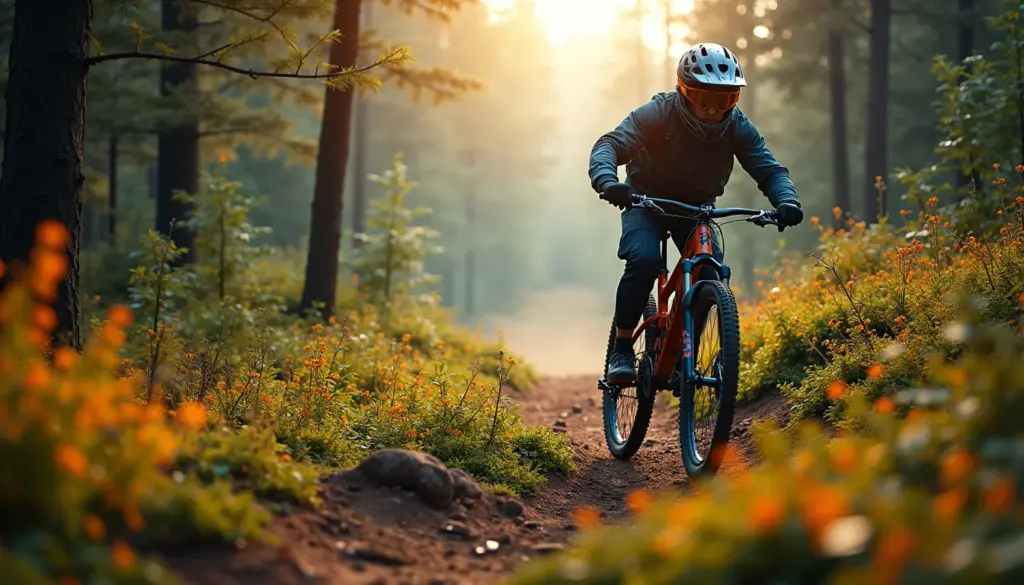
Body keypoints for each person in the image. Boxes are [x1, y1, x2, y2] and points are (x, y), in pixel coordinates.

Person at [589, 42, 803, 386]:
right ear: (685, 92)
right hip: (645, 202)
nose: (714, 109)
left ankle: (681, 353)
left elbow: (770, 170)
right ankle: (623, 348)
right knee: (643, 261)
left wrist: (787, 201)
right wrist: (608, 181)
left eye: (727, 99)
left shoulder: (737, 127)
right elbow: (611, 144)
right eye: (704, 98)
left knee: (708, 272)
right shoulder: (660, 112)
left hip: (696, 210)